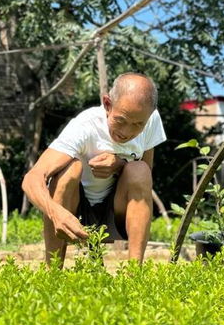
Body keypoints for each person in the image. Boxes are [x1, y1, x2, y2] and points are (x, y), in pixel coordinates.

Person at [22, 72, 167, 266]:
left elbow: (145, 175)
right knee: (69, 170)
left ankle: (135, 275)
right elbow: (32, 178)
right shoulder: (84, 127)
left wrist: (119, 165)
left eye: (138, 125)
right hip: (76, 208)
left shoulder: (150, 118)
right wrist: (56, 212)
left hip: (116, 210)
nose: (127, 132)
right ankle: (53, 272)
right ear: (107, 104)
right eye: (121, 120)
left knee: (139, 170)